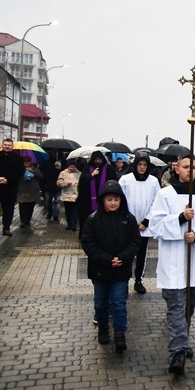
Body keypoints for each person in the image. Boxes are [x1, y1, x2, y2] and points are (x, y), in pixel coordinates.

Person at [148, 155, 195, 375]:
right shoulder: (165, 195)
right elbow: (156, 225)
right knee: (176, 308)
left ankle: (182, 342)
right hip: (173, 262)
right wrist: (180, 218)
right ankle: (177, 353)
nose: (192, 170)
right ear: (176, 169)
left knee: (188, 306)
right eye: (186, 166)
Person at [81, 180, 141, 353]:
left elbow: (135, 241)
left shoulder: (128, 219)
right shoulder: (93, 219)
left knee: (118, 302)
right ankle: (103, 328)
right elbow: (88, 244)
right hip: (100, 270)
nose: (113, 203)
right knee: (100, 303)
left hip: (120, 270)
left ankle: (120, 333)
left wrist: (123, 257)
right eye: (109, 199)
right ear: (103, 200)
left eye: (116, 199)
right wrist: (107, 259)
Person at [119, 152, 160, 294]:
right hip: (128, 225)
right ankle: (123, 281)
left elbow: (156, 203)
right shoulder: (125, 180)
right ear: (135, 165)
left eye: (145, 165)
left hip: (144, 226)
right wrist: (128, 221)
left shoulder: (154, 181)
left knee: (142, 254)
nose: (142, 167)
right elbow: (120, 200)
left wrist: (146, 221)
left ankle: (138, 280)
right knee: (127, 254)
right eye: (139, 164)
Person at [0, 138, 26, 236]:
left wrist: (8, 180)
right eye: (5, 144)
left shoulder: (18, 159)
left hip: (9, 188)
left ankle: (6, 228)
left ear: (12, 146)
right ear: (2, 145)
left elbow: (19, 173)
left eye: (9, 145)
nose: (7, 146)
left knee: (8, 209)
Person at [77, 150, 118, 237]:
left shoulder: (109, 168)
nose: (97, 161)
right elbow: (82, 182)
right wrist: (91, 175)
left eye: (99, 159)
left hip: (105, 200)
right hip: (89, 201)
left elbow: (114, 182)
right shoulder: (87, 168)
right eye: (96, 159)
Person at [16, 156, 43, 227]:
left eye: (28, 161)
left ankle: (28, 219)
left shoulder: (35, 169)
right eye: (25, 161)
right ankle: (23, 221)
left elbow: (40, 176)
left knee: (30, 206)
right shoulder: (19, 169)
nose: (27, 163)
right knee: (22, 206)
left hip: (32, 190)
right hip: (22, 190)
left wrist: (32, 171)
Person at [57, 159, 81, 231]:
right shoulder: (63, 173)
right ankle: (69, 224)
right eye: (70, 167)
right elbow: (58, 182)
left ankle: (74, 225)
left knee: (75, 211)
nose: (72, 168)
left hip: (76, 195)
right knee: (68, 211)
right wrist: (65, 183)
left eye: (73, 167)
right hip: (66, 196)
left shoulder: (79, 173)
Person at [41, 152, 62, 222]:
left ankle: (56, 215)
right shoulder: (46, 161)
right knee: (48, 201)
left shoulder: (61, 160)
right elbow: (42, 169)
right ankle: (50, 212)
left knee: (57, 201)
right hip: (48, 184)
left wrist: (60, 168)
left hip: (58, 184)